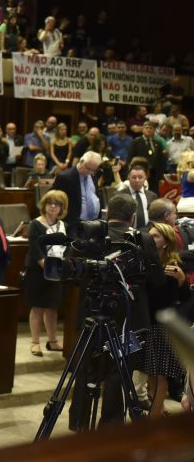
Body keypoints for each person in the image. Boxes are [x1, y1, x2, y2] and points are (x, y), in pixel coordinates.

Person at [68, 194, 163, 431]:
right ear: (133, 217)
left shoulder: (89, 233)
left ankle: (79, 422)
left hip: (93, 312)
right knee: (118, 371)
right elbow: (156, 280)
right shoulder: (141, 239)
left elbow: (70, 272)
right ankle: (110, 426)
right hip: (128, 321)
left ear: (107, 213)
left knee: (86, 368)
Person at [142, 222, 189, 417]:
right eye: (150, 235)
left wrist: (181, 281)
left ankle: (153, 419)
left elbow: (183, 298)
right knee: (152, 373)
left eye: (156, 236)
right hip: (148, 322)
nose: (151, 239)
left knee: (160, 374)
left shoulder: (173, 264)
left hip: (163, 325)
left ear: (165, 242)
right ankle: (159, 409)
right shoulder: (149, 261)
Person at [24, 191, 68, 356]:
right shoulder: (36, 224)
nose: (53, 206)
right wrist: (47, 267)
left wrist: (60, 269)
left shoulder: (63, 226)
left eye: (57, 204)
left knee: (52, 308)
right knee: (38, 307)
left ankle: (53, 341)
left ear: (62, 208)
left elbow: (67, 247)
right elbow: (36, 250)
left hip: (56, 271)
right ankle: (35, 342)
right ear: (44, 205)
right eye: (50, 203)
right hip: (38, 271)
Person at [51, 151, 102, 238]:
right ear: (81, 161)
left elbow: (95, 196)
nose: (90, 172)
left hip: (93, 224)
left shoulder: (93, 176)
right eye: (88, 168)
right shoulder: (65, 177)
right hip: (73, 225)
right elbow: (52, 198)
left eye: (93, 170)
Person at [116, 160, 156, 229]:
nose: (137, 180)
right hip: (126, 232)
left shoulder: (152, 196)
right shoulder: (120, 196)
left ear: (145, 178)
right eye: (134, 177)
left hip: (148, 232)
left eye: (140, 177)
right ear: (128, 177)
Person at [130, 121, 165, 189]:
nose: (148, 130)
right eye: (146, 128)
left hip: (154, 174)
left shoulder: (157, 143)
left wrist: (161, 177)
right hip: (140, 172)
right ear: (143, 129)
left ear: (154, 130)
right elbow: (131, 158)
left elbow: (160, 161)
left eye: (151, 128)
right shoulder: (136, 142)